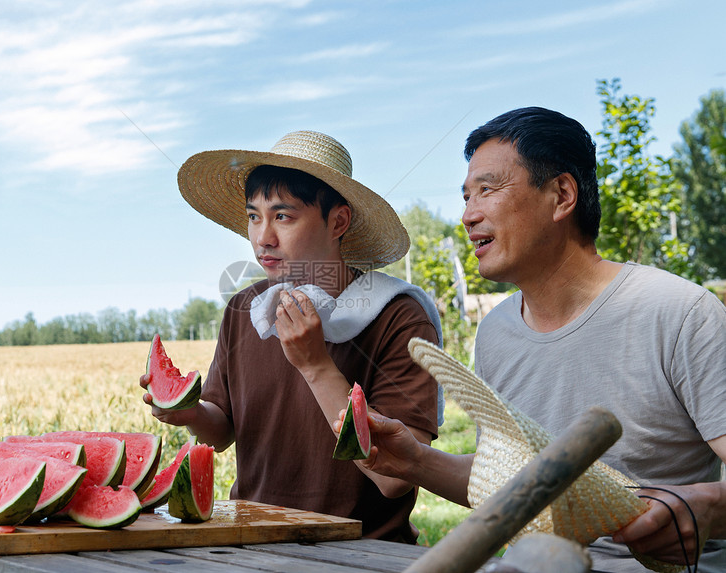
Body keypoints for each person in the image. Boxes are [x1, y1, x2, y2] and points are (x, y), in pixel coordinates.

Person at [337, 108, 726, 571]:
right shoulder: (496, 333)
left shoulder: (682, 313)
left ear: (561, 195)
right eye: (465, 196)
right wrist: (414, 460)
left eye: (487, 189)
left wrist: (709, 506)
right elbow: (515, 486)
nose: (467, 215)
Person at [140, 130, 443, 542]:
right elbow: (222, 429)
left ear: (338, 221)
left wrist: (316, 365)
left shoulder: (399, 317)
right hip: (251, 542)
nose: (262, 237)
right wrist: (188, 412)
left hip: (362, 552)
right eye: (253, 216)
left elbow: (395, 480)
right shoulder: (244, 310)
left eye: (283, 216)